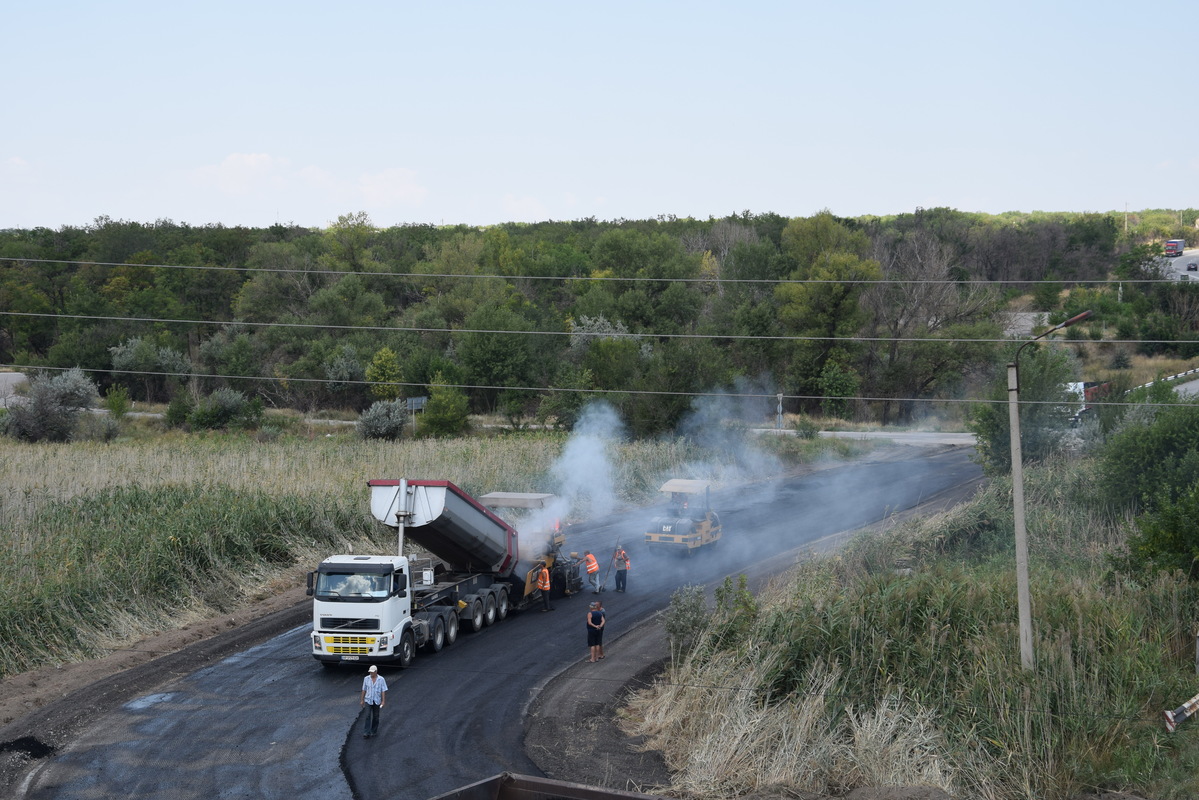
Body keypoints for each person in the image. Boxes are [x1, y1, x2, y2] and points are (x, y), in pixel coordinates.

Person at [359, 664, 387, 738]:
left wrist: (383, 701)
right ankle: (366, 732)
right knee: (367, 715)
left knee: (376, 716)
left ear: (376, 672)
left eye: (372, 672)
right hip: (368, 700)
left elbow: (383, 691)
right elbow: (364, 689)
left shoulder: (381, 679)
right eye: (370, 672)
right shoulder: (366, 679)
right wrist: (362, 700)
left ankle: (373, 731)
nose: (371, 673)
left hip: (377, 701)